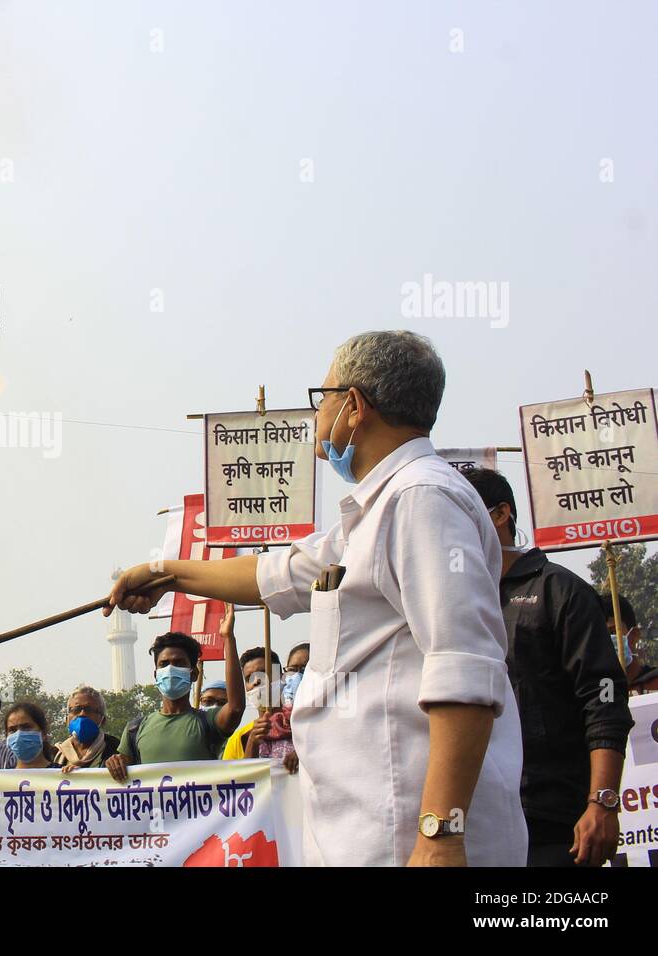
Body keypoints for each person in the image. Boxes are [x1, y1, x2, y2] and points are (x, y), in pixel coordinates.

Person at [108, 330, 526, 866]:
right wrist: (164, 573)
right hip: (370, 832)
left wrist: (440, 832)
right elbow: (272, 573)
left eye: (321, 397)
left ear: (354, 406)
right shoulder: (373, 513)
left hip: (409, 835)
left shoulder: (422, 499)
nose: (317, 416)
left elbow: (465, 668)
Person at [460, 468, 631, 866]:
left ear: (501, 514)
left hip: (554, 824)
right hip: (473, 822)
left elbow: (603, 701)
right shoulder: (450, 600)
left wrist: (602, 803)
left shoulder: (558, 590)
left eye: (463, 513)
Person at [105, 629, 244, 782]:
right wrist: (114, 762)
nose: (170, 669)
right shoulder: (135, 729)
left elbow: (235, 708)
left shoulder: (208, 721)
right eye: (164, 664)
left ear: (193, 673)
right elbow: (121, 771)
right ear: (156, 674)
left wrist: (228, 638)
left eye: (179, 663)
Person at [221, 647, 281, 759]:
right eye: (249, 678)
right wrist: (251, 743)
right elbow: (235, 776)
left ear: (281, 676)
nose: (256, 681)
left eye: (264, 673)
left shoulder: (301, 724)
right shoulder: (239, 738)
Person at [54, 685, 121, 771]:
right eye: (76, 709)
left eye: (89, 710)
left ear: (102, 720)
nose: (82, 714)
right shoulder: (55, 754)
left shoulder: (116, 751)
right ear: (66, 720)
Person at [599, 592, 645, 685]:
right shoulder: (592, 693)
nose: (604, 641)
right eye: (598, 635)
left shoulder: (654, 684)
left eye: (612, 632)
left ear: (634, 635)